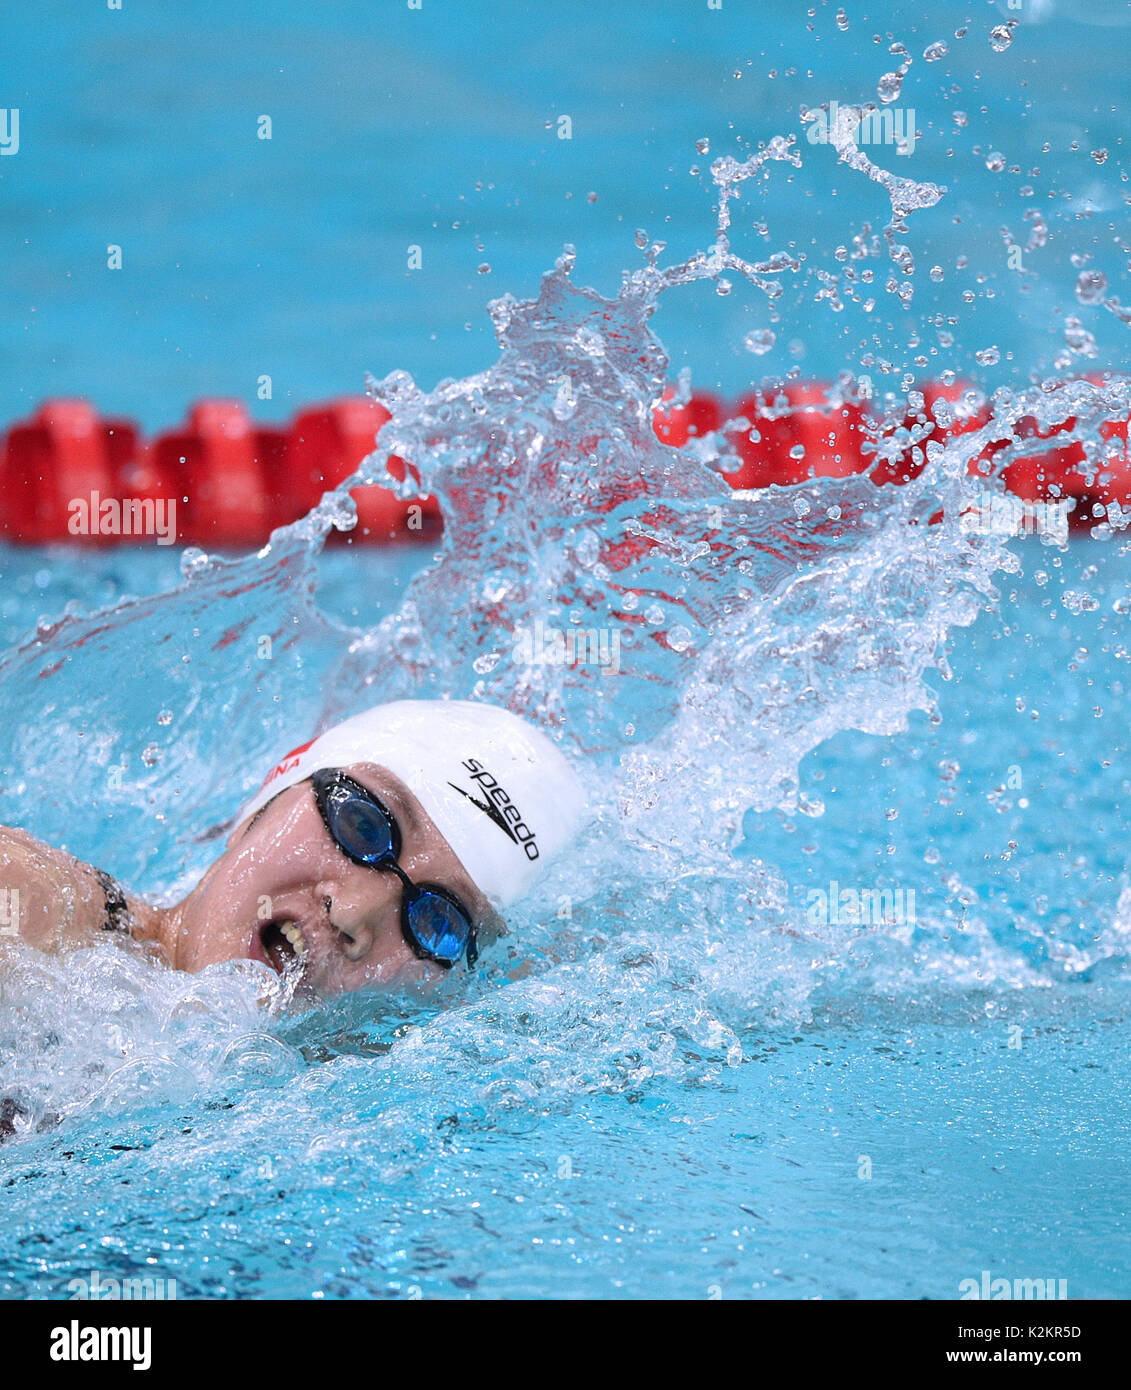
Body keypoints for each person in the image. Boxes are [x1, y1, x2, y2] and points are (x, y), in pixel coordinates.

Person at [0, 699, 586, 997]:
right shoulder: (34, 915)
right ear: (269, 796)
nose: (354, 912)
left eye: (438, 922)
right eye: (363, 824)